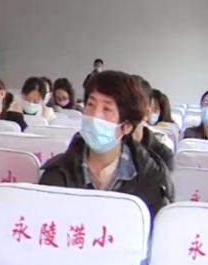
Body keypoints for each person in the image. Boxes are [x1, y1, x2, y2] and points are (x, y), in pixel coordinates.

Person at [40, 70, 172, 217]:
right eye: (91, 104)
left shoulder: (151, 179)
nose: (94, 115)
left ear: (127, 126)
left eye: (107, 109)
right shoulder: (58, 173)